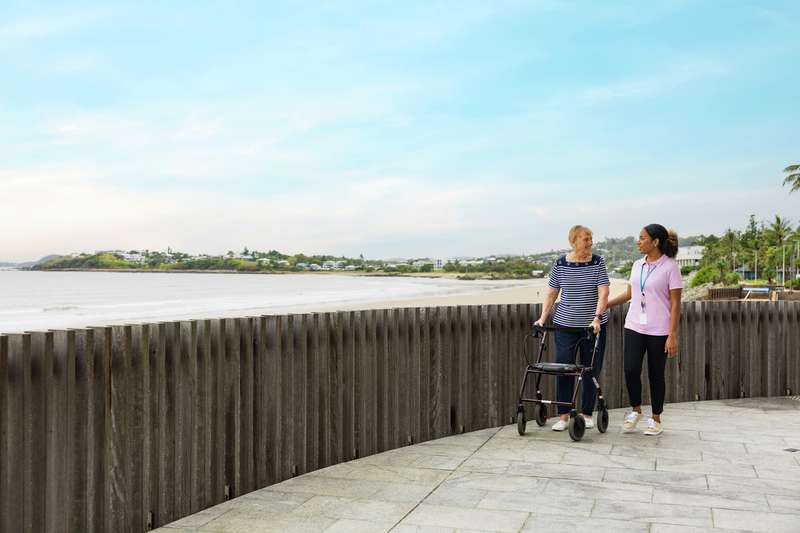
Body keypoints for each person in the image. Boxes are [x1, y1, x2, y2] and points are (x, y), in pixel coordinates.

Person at [606, 224, 682, 436]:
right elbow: (630, 294)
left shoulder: (670, 267)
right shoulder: (637, 264)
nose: (638, 242)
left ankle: (656, 418)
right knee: (630, 369)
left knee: (656, 374)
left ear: (655, 242)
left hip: (659, 329)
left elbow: (676, 304)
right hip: (634, 325)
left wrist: (672, 335)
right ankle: (636, 410)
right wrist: (606, 304)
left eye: (642, 238)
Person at [535, 225, 609, 431]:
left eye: (591, 238)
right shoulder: (560, 263)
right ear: (573, 241)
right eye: (586, 239)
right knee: (564, 369)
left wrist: (597, 318)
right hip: (564, 325)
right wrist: (542, 318)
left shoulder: (597, 262)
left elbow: (603, 293)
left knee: (590, 369)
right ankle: (564, 416)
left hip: (591, 327)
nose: (590, 243)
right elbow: (552, 293)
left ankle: (586, 414)